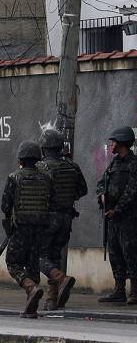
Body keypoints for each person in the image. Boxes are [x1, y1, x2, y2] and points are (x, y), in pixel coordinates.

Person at [2, 140, 52, 318]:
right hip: (41, 227)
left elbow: (5, 206)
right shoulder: (46, 178)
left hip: (21, 227)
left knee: (13, 262)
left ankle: (31, 288)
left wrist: (9, 219)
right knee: (33, 265)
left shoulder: (14, 177)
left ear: (21, 159)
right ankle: (31, 308)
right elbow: (50, 201)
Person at [38, 129, 87, 309]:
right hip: (66, 218)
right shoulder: (72, 166)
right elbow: (82, 190)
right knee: (54, 256)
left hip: (47, 219)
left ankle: (61, 279)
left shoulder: (40, 167)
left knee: (39, 255)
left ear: (44, 147)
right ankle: (52, 299)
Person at [96, 126, 137, 304]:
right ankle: (118, 290)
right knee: (115, 253)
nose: (110, 144)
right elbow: (101, 182)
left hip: (128, 218)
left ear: (121, 142)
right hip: (112, 218)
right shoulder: (114, 163)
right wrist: (101, 195)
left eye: (113, 141)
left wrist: (118, 209)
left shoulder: (133, 164)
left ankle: (134, 292)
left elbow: (132, 191)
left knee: (131, 253)